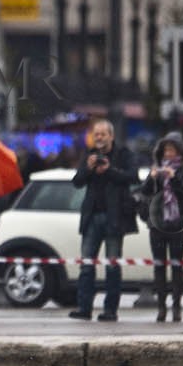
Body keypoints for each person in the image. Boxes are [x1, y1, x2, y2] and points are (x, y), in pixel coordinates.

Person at [70, 119, 139, 321]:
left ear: (111, 136)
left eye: (103, 134)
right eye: (96, 134)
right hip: (91, 217)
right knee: (86, 264)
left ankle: (110, 310)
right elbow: (77, 182)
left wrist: (109, 170)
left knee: (112, 266)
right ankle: (84, 308)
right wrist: (88, 168)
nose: (99, 138)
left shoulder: (123, 154)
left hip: (114, 217)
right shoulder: (89, 154)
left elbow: (133, 177)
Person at [136, 132, 183, 324]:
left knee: (177, 266)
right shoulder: (157, 169)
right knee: (159, 266)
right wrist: (152, 178)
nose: (168, 154)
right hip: (157, 224)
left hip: (177, 225)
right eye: (166, 150)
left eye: (172, 150)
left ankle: (176, 306)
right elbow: (144, 192)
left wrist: (174, 177)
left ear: (180, 152)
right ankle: (161, 307)